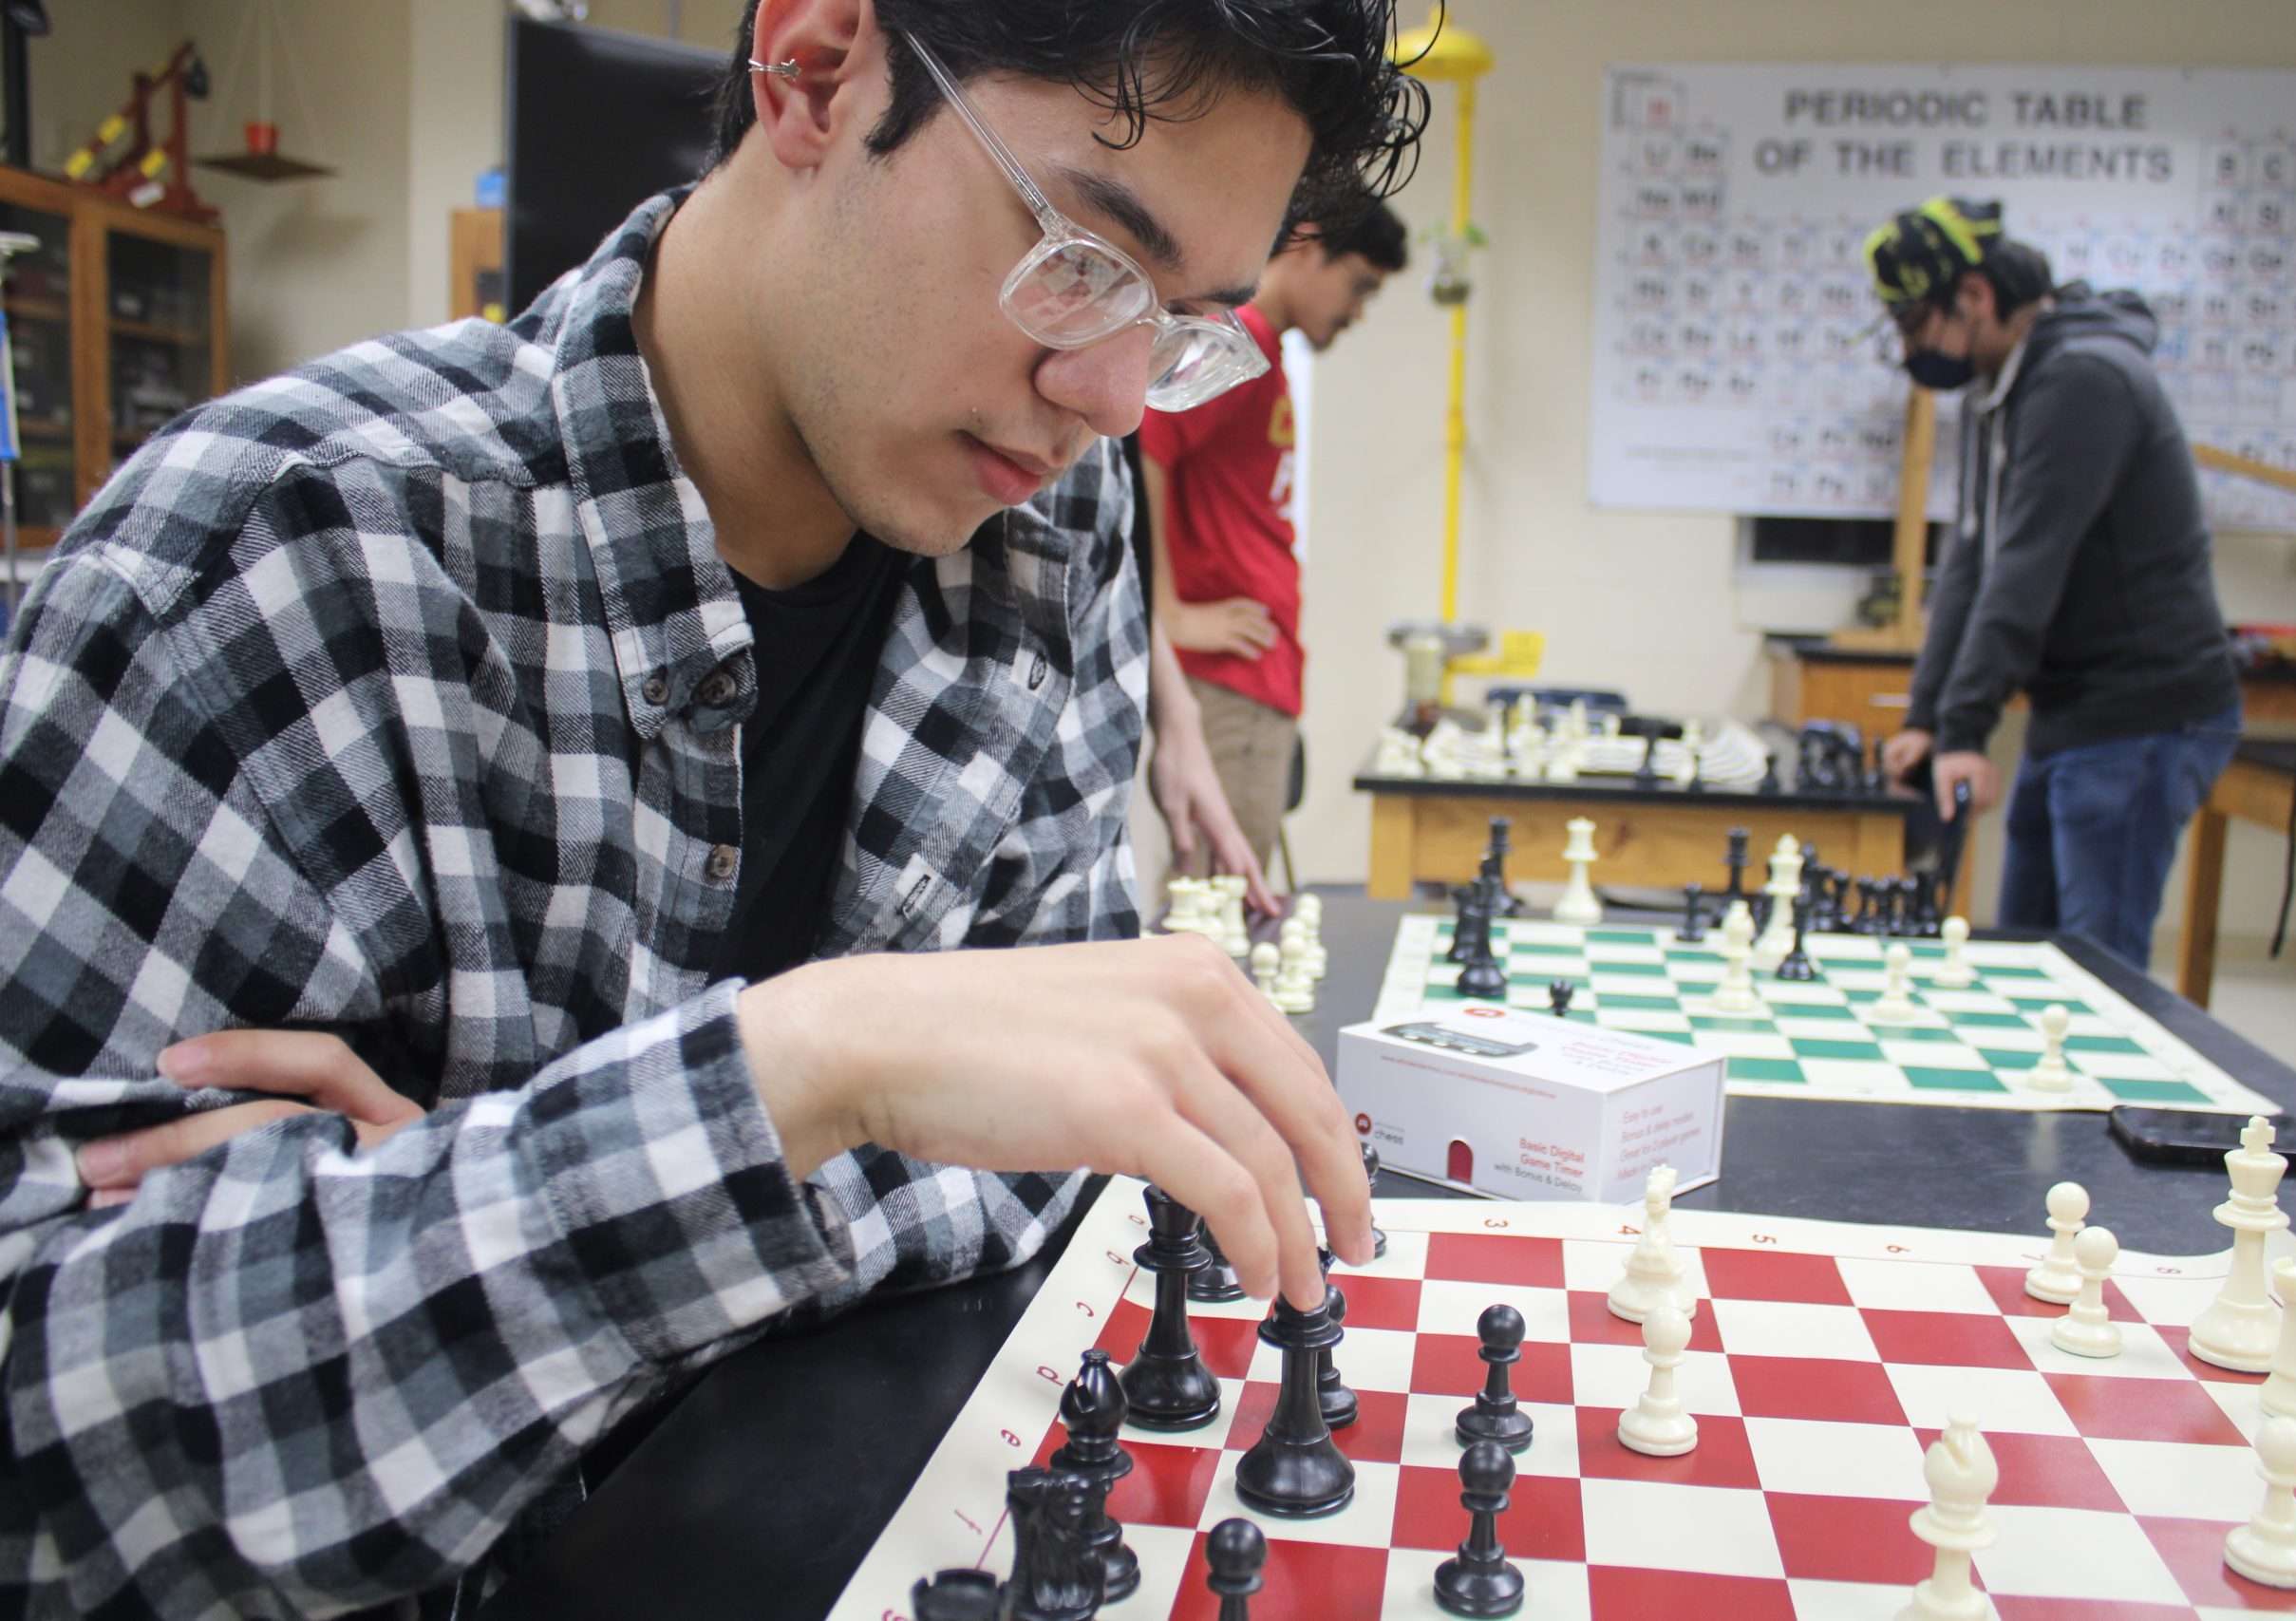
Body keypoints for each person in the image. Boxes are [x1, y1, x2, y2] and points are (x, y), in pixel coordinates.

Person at [0, 0, 1423, 1611]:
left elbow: (1057, 1152)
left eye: (1182, 322)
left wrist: (458, 1206)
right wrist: (810, 1072)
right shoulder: (284, 561)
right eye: (1085, 257)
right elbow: (54, 1455)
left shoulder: (1047, 522)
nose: (1111, 397)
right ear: (813, 72)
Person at [1871, 197, 2242, 969]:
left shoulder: (2082, 382)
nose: (1915, 349)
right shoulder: (1998, 387)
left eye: (1917, 325)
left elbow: (2028, 566)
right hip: (2072, 710)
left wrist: (1967, 728)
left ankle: (2115, 1097)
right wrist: (1930, 717)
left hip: (2143, 716)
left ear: (1974, 297)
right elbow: (1973, 559)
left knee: (2096, 973)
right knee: (2027, 958)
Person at [1139, 203, 1408, 886]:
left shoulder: (1262, 350)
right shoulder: (1241, 343)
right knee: (1216, 910)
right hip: (1230, 682)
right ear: (1309, 245)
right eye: (1359, 286)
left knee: (1225, 900)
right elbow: (1145, 445)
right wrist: (1163, 609)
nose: (1358, 312)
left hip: (1258, 678)